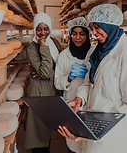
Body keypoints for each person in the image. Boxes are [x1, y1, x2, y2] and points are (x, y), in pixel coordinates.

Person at [58, 4, 127, 153]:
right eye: (92, 28)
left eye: (97, 28)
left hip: (112, 143)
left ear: (110, 25)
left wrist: (97, 131)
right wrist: (80, 99)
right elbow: (90, 83)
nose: (94, 33)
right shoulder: (100, 51)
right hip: (91, 130)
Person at [54, 17, 95, 153]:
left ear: (87, 34)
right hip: (71, 105)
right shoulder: (64, 55)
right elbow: (57, 83)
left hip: (91, 105)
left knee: (90, 145)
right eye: (74, 34)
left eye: (82, 34)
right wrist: (69, 78)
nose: (78, 37)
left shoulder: (95, 52)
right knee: (73, 145)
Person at [24, 12, 62, 153]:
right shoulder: (32, 47)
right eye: (39, 29)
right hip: (40, 93)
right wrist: (43, 46)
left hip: (53, 90)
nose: (43, 33)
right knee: (39, 132)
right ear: (34, 29)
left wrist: (52, 76)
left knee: (48, 128)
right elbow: (45, 72)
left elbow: (60, 68)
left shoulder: (55, 43)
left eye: (46, 29)